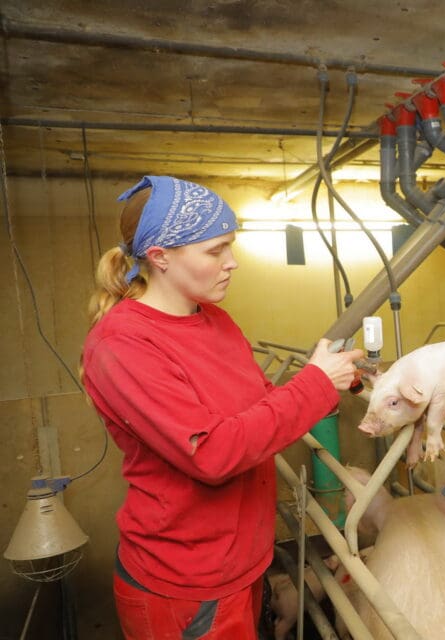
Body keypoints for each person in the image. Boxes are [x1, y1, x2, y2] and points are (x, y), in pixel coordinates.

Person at [80, 176, 364, 639]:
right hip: (187, 583)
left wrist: (325, 381)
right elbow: (211, 453)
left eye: (231, 246)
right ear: (160, 257)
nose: (232, 263)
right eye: (215, 251)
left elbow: (258, 409)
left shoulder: (214, 320)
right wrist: (314, 385)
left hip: (243, 563)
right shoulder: (123, 344)